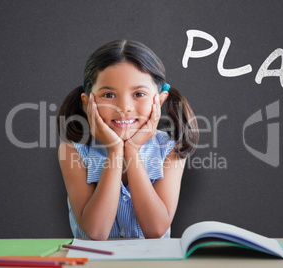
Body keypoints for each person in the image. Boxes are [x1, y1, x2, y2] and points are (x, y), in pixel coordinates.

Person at [57, 40, 199, 240]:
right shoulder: (73, 149)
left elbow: (155, 230)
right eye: (109, 94)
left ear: (159, 100)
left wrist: (132, 149)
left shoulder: (171, 149)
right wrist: (115, 151)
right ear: (88, 102)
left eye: (139, 94)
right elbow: (96, 231)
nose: (124, 107)